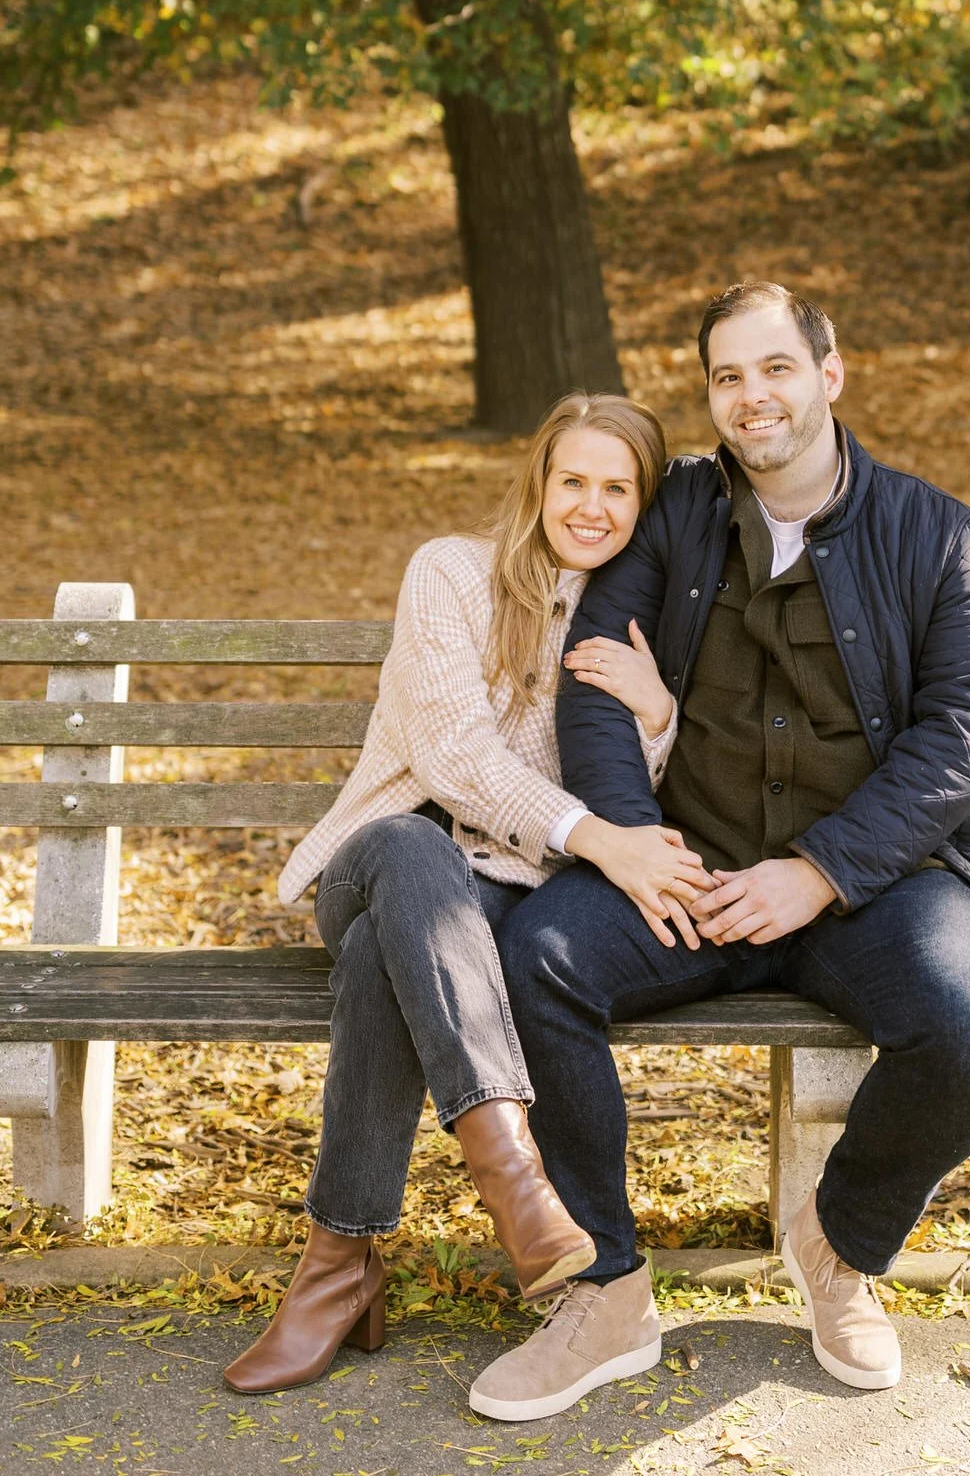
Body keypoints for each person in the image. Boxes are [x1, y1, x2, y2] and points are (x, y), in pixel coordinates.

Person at [475, 280, 970, 1421]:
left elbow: (964, 729)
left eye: (774, 367)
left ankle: (838, 1244)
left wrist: (821, 871)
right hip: (689, 871)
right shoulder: (674, 513)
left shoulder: (934, 532)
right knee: (537, 957)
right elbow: (593, 674)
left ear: (829, 374)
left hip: (870, 888)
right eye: (726, 375)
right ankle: (606, 1287)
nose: (751, 395)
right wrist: (631, 843)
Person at [223, 392, 707, 1394]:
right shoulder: (451, 571)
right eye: (571, 478)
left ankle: (336, 1269)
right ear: (536, 483)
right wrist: (595, 841)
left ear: (643, 504)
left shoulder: (635, 617)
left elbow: (632, 786)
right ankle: (513, 1180)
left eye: (617, 487)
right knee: (407, 852)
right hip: (381, 865)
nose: (590, 504)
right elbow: (452, 757)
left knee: (381, 967)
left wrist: (656, 713)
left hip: (499, 905)